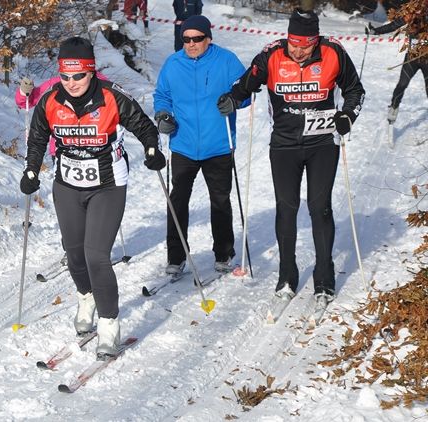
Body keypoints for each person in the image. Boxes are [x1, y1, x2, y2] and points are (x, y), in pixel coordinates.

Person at [20, 36, 165, 359]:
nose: (72, 83)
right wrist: (31, 170)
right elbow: (39, 137)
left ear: (91, 72)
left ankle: (109, 324)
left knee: (96, 255)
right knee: (74, 255)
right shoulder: (50, 101)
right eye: (66, 77)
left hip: (107, 184)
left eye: (79, 76)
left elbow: (144, 126)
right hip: (68, 184)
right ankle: (86, 297)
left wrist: (152, 149)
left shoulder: (112, 96)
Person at [217, 9, 366, 307]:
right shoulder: (271, 55)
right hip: (284, 145)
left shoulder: (333, 52)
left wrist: (348, 115)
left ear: (316, 40)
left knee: (319, 207)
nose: (298, 52)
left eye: (305, 46)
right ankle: (287, 275)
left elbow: (355, 90)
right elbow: (246, 85)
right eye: (294, 45)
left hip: (323, 143)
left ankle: (325, 277)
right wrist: (233, 98)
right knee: (286, 208)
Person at [153, 15, 248, 277]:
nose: (191, 44)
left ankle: (224, 253)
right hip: (183, 144)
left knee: (220, 200)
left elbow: (245, 90)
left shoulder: (226, 60)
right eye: (186, 39)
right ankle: (176, 256)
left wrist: (235, 101)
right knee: (177, 201)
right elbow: (162, 96)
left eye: (197, 39)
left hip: (218, 144)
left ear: (208, 38)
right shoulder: (173, 64)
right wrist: (162, 115)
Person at [16, 72, 111, 268]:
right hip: (62, 151)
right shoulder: (54, 83)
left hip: (94, 150)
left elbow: (113, 102)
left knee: (94, 202)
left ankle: (95, 248)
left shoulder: (99, 80)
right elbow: (28, 101)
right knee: (70, 204)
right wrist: (24, 91)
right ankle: (72, 249)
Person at [366, 12, 427, 124]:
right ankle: (394, 107)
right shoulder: (412, 13)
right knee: (402, 84)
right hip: (411, 58)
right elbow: (394, 25)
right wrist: (376, 31)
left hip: (426, 59)